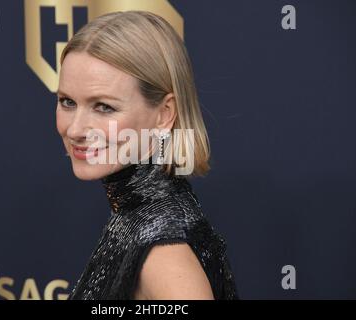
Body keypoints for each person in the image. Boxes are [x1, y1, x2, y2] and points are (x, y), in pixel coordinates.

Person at [56, 10, 238, 300]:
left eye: (103, 107)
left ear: (165, 114)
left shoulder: (164, 257)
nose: (75, 129)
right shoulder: (138, 217)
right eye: (67, 101)